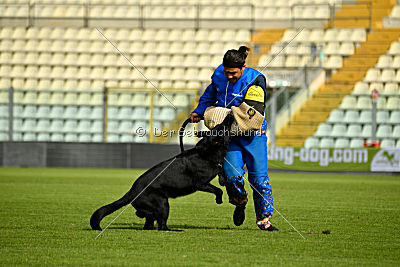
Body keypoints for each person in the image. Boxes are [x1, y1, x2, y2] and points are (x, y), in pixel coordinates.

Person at [189, 46, 278, 231]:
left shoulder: (255, 80)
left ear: (243, 67)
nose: (229, 76)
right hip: (229, 138)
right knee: (232, 177)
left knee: (259, 180)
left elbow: (253, 113)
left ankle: (264, 220)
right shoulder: (219, 76)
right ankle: (240, 202)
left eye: (233, 73)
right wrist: (199, 111)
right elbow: (209, 95)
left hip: (254, 136)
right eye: (226, 72)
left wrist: (221, 115)